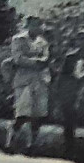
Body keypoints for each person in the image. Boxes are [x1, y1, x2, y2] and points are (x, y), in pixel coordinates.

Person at [4, 17, 51, 154]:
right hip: (24, 81)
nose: (38, 27)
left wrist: (42, 62)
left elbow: (46, 57)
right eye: (35, 24)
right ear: (28, 25)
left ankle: (32, 145)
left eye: (40, 24)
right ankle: (10, 140)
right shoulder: (19, 39)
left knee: (38, 115)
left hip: (41, 80)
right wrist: (36, 62)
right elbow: (18, 59)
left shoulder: (43, 42)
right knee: (22, 114)